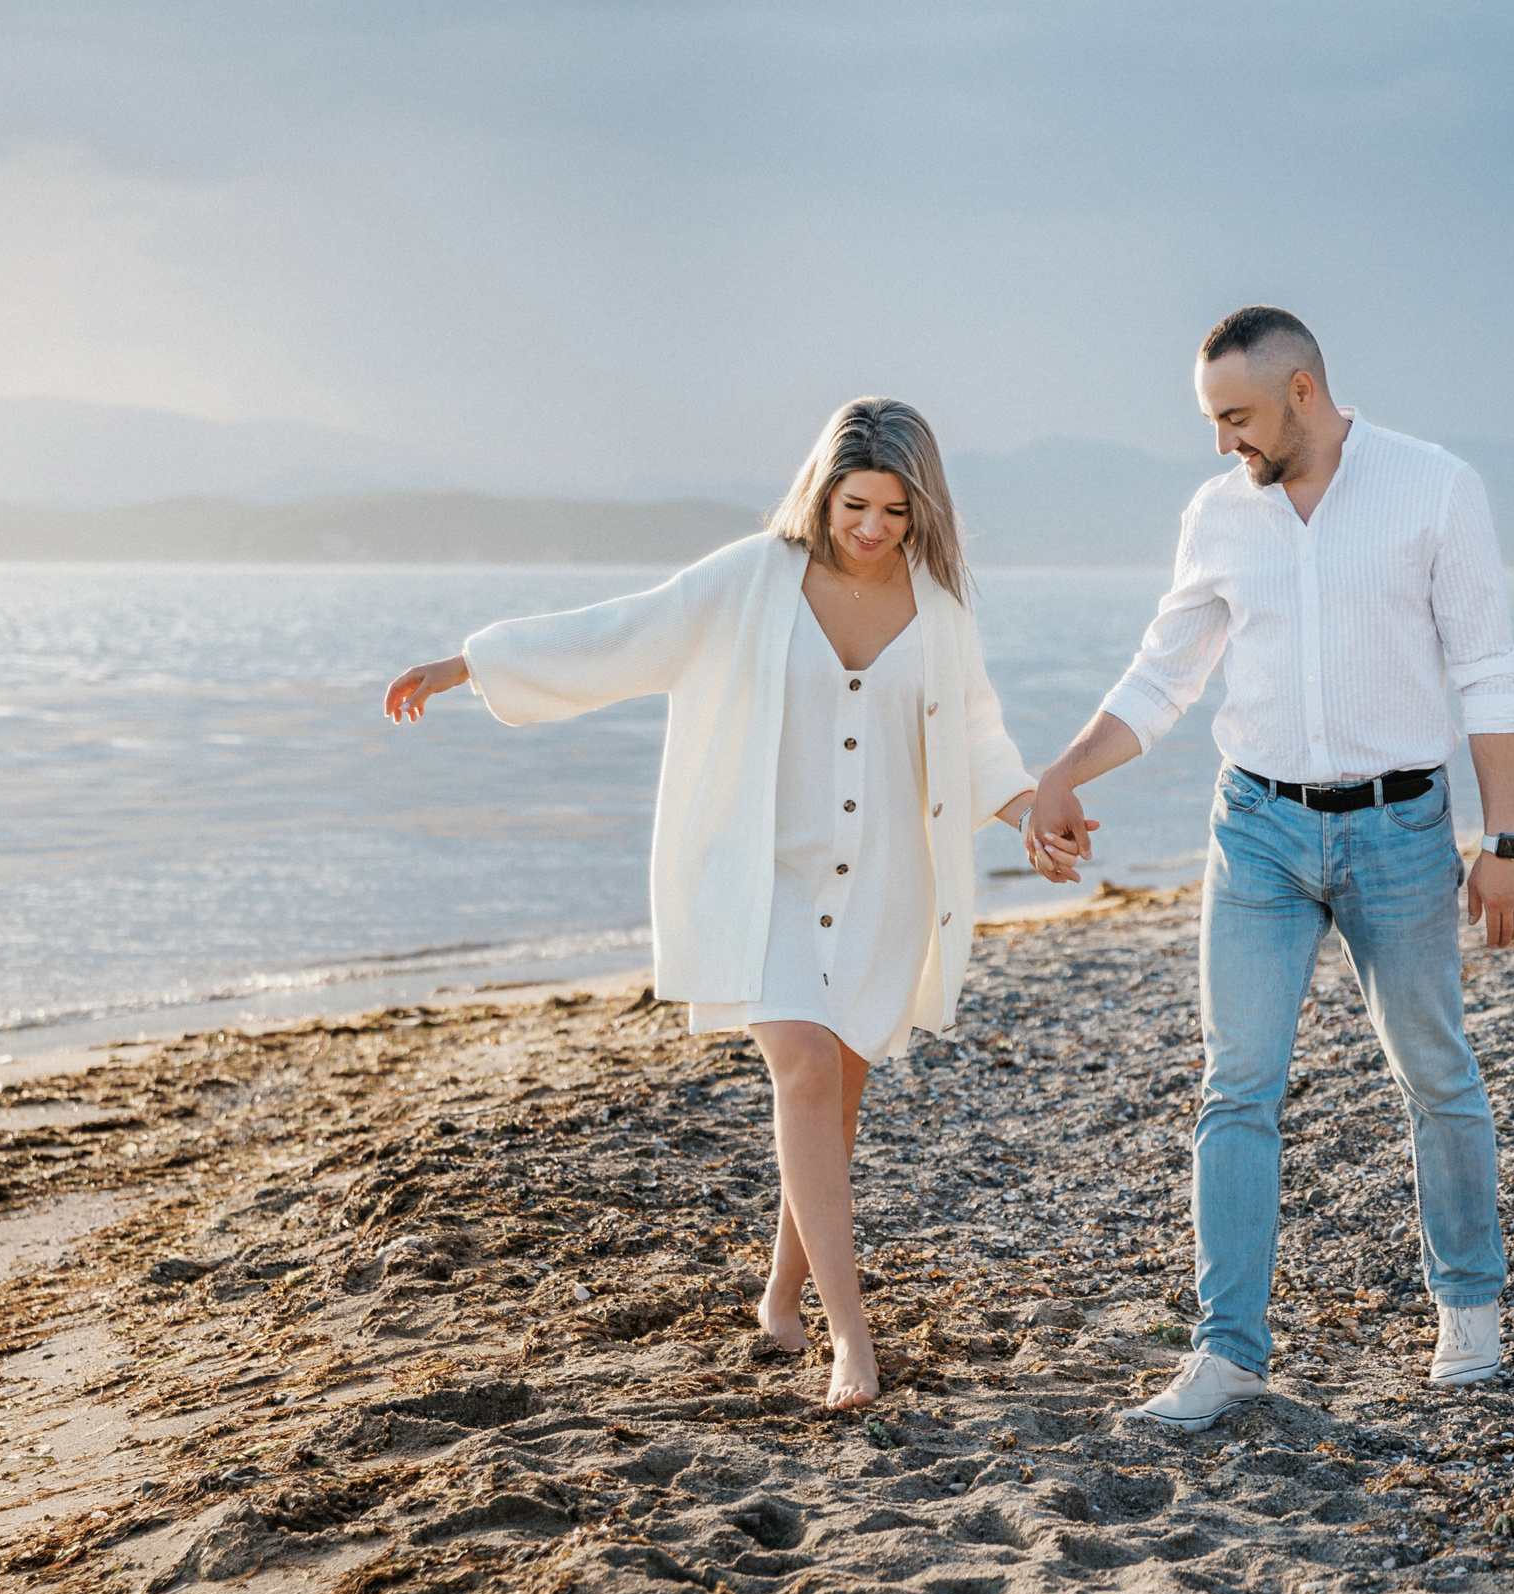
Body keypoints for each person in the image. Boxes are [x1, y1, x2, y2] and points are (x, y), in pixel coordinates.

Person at [383, 398, 1039, 1411]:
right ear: (822, 493)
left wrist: (1033, 812)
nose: (870, 528)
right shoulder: (753, 578)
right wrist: (472, 662)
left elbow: (979, 738)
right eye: (854, 503)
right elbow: (624, 632)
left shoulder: (939, 613)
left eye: (895, 512)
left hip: (882, 888)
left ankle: (780, 1301)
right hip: (762, 879)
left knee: (834, 1105)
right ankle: (849, 1342)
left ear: (923, 513)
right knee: (806, 1073)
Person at [1023, 306, 1514, 1429]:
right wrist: (1063, 772)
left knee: (1432, 1072)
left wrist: (1502, 845)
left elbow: (1488, 674)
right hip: (1253, 827)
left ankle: (1470, 1305)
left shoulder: (1433, 489)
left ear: (1302, 390)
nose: (1224, 445)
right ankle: (1227, 1354)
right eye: (1212, 422)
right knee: (1235, 1086)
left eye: (1238, 418)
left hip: (1401, 831)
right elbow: (1162, 680)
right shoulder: (1216, 517)